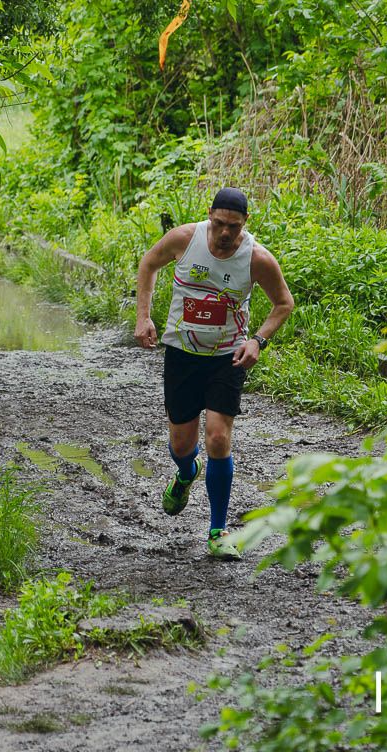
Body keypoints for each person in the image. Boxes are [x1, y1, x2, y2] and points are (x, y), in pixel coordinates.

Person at [134, 187, 294, 560]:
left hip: (227, 358)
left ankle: (218, 531)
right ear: (209, 215)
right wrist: (143, 316)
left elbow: (283, 303)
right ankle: (186, 472)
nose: (225, 233)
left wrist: (258, 340)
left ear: (245, 224)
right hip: (182, 354)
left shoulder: (257, 259)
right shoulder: (185, 239)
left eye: (233, 227)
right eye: (219, 224)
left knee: (219, 438)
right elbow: (148, 264)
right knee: (180, 446)